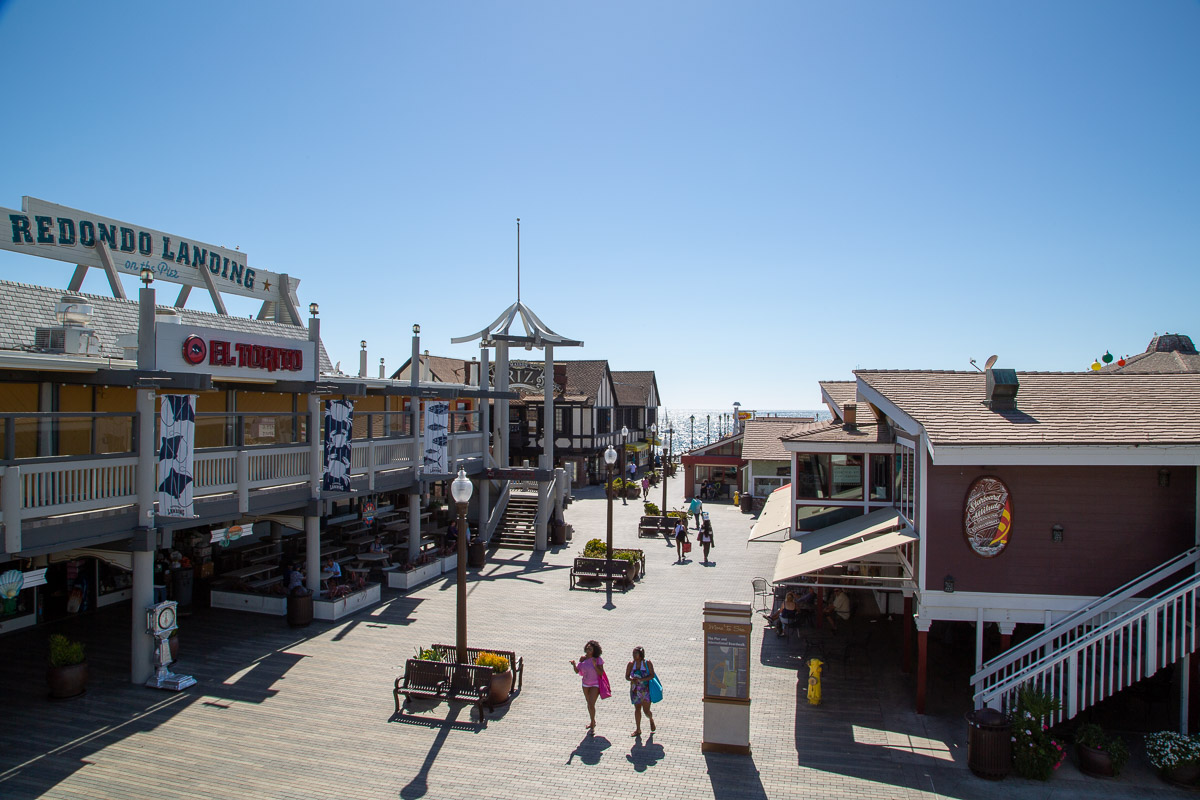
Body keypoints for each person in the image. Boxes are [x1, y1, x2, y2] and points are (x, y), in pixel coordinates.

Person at [570, 640, 606, 732]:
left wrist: (595, 665)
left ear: (594, 650)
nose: (588, 650)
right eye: (587, 648)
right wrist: (574, 665)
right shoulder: (583, 658)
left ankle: (592, 723)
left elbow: (601, 673)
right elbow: (577, 671)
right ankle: (592, 720)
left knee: (591, 703)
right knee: (589, 703)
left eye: (590, 649)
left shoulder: (598, 660)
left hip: (595, 684)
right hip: (585, 683)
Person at [625, 646, 657, 737]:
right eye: (633, 653)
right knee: (637, 709)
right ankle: (638, 729)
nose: (634, 655)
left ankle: (650, 719)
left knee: (646, 710)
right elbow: (627, 676)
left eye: (636, 653)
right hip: (635, 690)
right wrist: (632, 679)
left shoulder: (647, 663)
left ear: (641, 654)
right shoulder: (631, 664)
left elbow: (652, 675)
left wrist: (642, 679)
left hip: (645, 690)